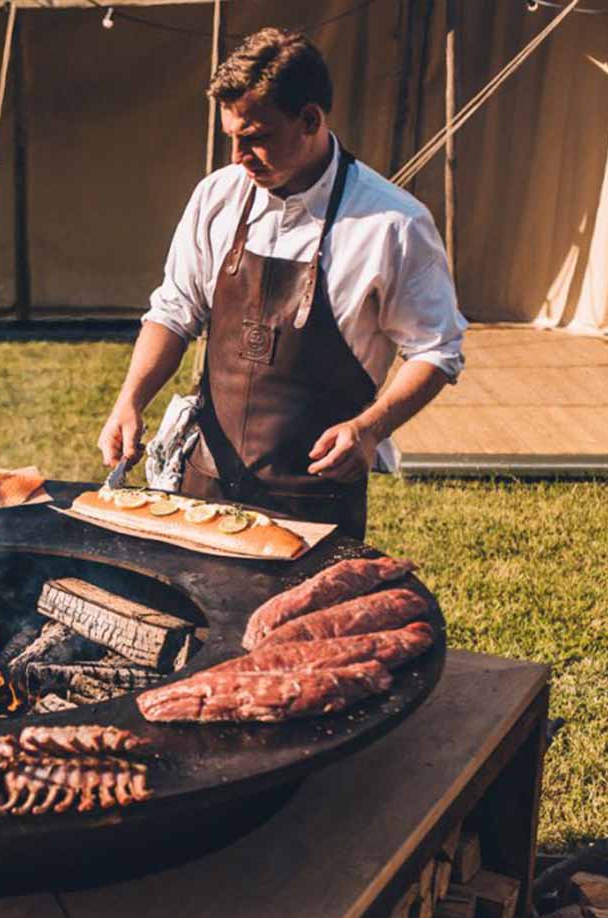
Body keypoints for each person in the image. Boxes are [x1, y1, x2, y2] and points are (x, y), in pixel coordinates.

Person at [96, 27, 466, 539]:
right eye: (232, 138)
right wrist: (130, 399)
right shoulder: (217, 197)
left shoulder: (393, 223)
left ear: (310, 119)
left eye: (256, 138)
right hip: (207, 483)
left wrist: (370, 429)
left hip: (314, 501)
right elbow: (175, 310)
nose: (238, 157)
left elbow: (436, 348)